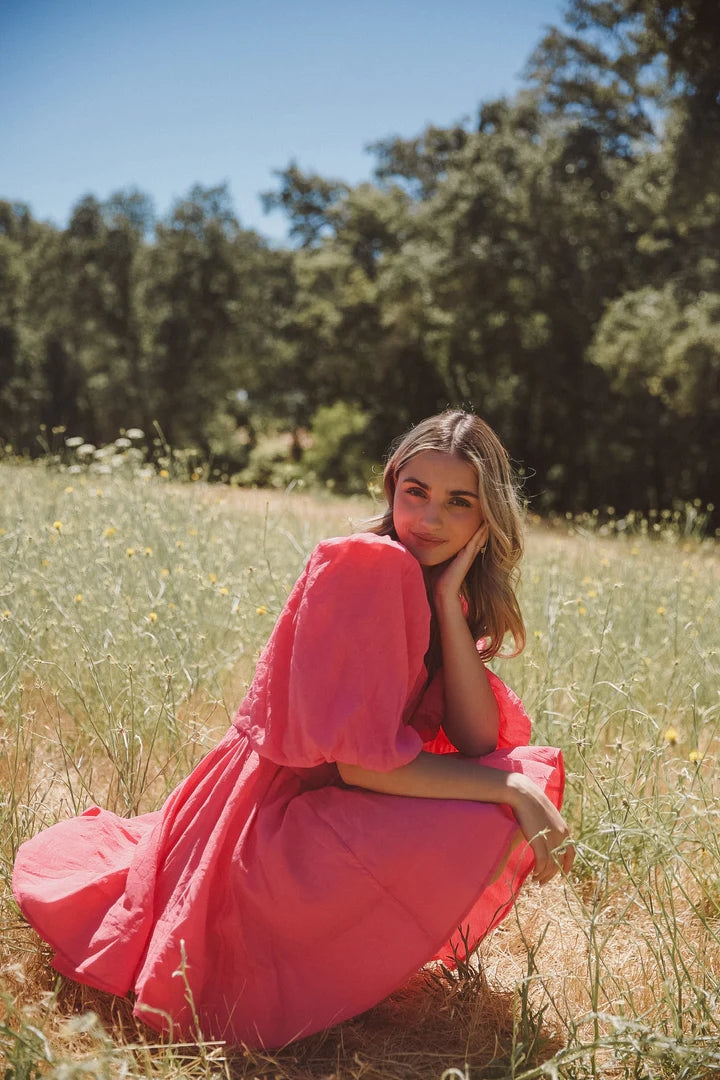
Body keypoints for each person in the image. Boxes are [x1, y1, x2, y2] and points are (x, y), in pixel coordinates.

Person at [13, 410, 574, 1049]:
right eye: (415, 491)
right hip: (271, 815)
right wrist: (518, 795)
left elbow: (478, 742)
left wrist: (449, 605)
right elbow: (365, 767)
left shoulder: (437, 584)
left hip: (325, 795)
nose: (429, 518)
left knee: (497, 779)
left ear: (486, 517)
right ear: (391, 485)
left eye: (458, 502)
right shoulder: (369, 568)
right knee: (499, 797)